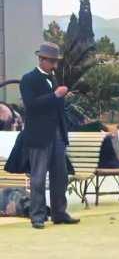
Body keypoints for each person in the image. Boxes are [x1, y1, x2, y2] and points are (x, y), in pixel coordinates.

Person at [19, 42, 80, 229]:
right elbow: (31, 105)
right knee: (38, 178)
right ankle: (37, 216)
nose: (54, 65)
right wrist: (55, 95)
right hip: (38, 136)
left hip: (57, 135)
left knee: (60, 176)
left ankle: (59, 213)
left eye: (56, 61)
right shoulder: (28, 79)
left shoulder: (53, 78)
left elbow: (57, 107)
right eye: (51, 61)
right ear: (41, 59)